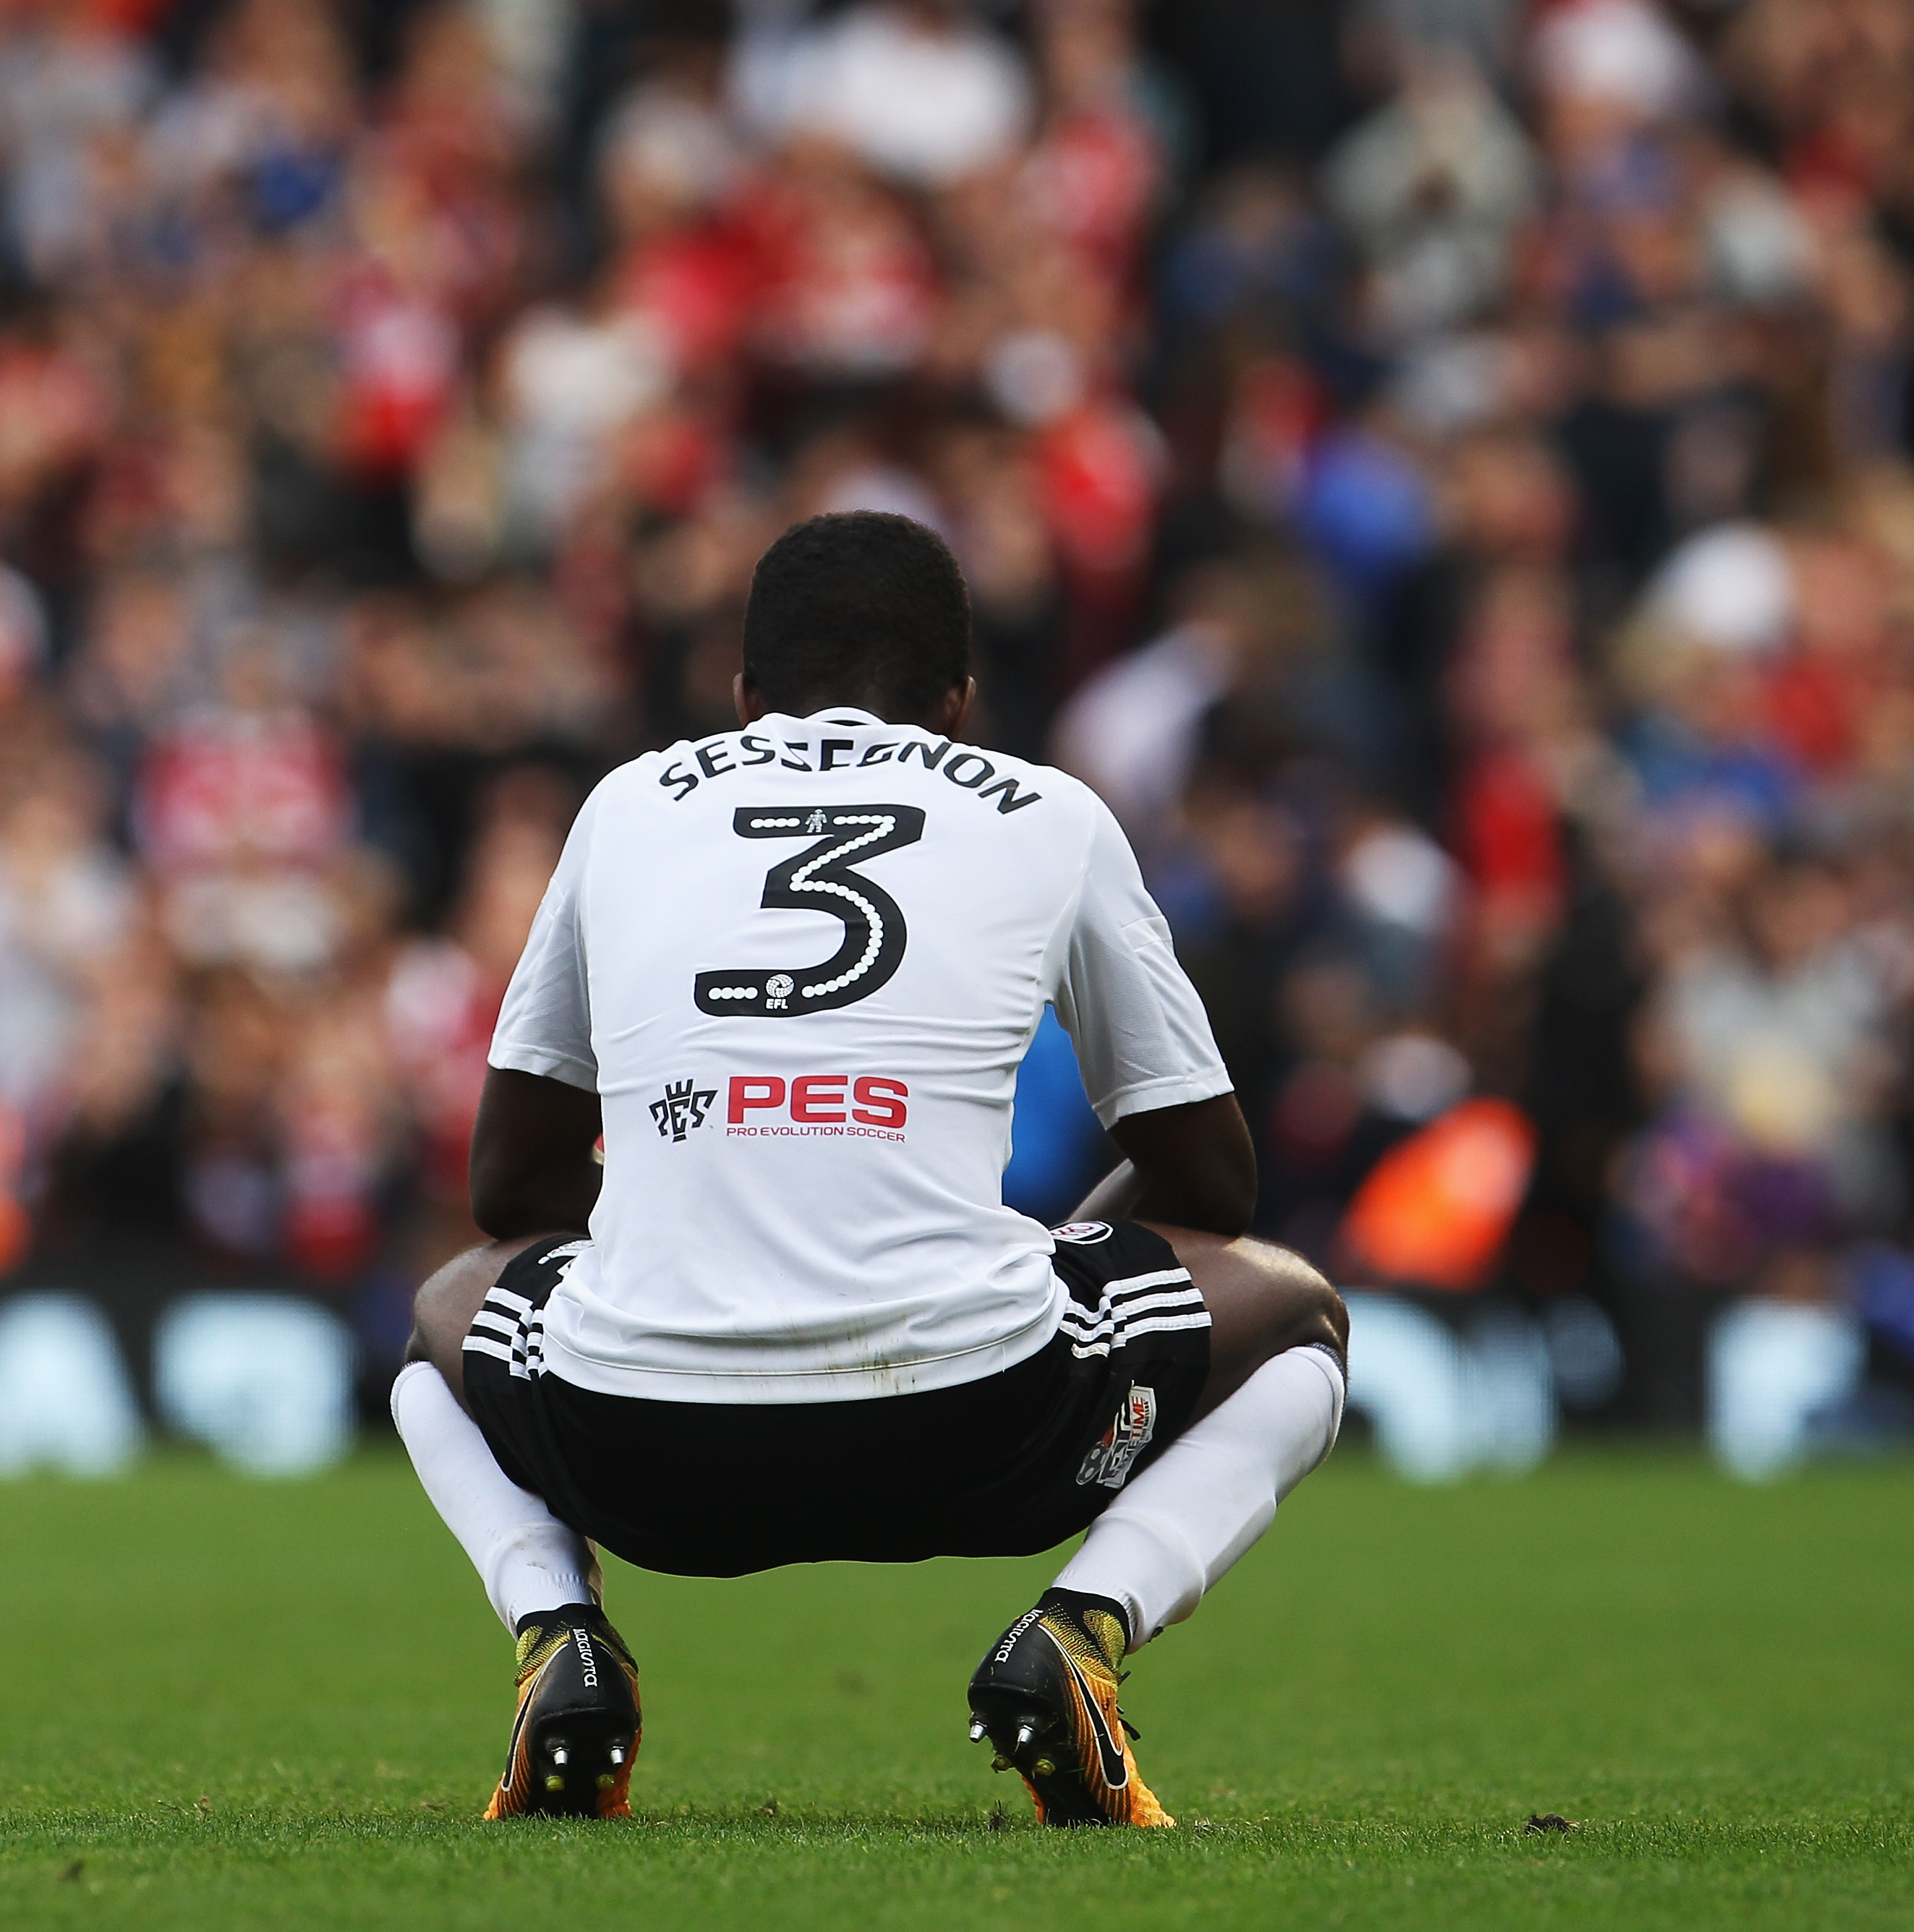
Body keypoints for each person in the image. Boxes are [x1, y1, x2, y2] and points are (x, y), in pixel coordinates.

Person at [393, 511, 1350, 1827]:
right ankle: (1079, 1633)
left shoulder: (627, 806)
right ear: (958, 706)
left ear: (742, 702)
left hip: (644, 1454)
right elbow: (1209, 1180)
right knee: (1301, 1317)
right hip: (974, 1420)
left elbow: (509, 1182)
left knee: (442, 1315)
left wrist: (690, 1229)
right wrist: (1023, 1261)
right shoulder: (1049, 815)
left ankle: (562, 1641)